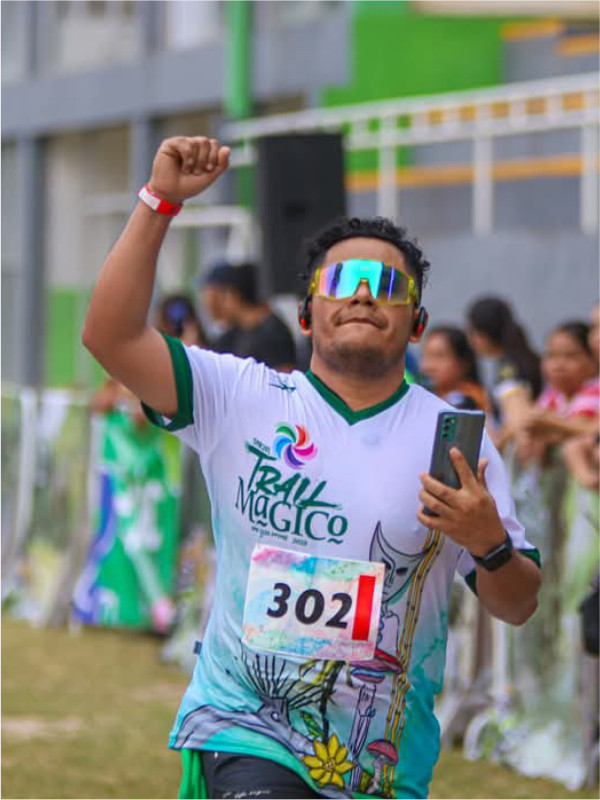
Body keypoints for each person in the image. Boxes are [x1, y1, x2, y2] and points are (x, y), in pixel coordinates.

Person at [82, 135, 541, 800]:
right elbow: (111, 336)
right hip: (245, 725)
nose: (364, 296)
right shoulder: (239, 396)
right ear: (305, 314)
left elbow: (518, 604)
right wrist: (159, 202)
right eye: (342, 282)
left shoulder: (453, 439)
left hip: (377, 762)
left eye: (388, 286)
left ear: (417, 323)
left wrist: (489, 542)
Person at [466, 297, 541, 446]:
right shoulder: (520, 358)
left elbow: (518, 420)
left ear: (482, 334)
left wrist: (496, 443)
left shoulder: (508, 370)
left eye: (471, 331)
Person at [200, 259, 297, 370]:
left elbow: (284, 377)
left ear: (233, 295)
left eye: (222, 297)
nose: (220, 304)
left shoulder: (273, 332)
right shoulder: (233, 334)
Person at [420, 325, 489, 411]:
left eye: (439, 356)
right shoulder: (428, 397)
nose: (427, 366)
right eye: (425, 356)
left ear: (463, 362)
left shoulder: (471, 402)